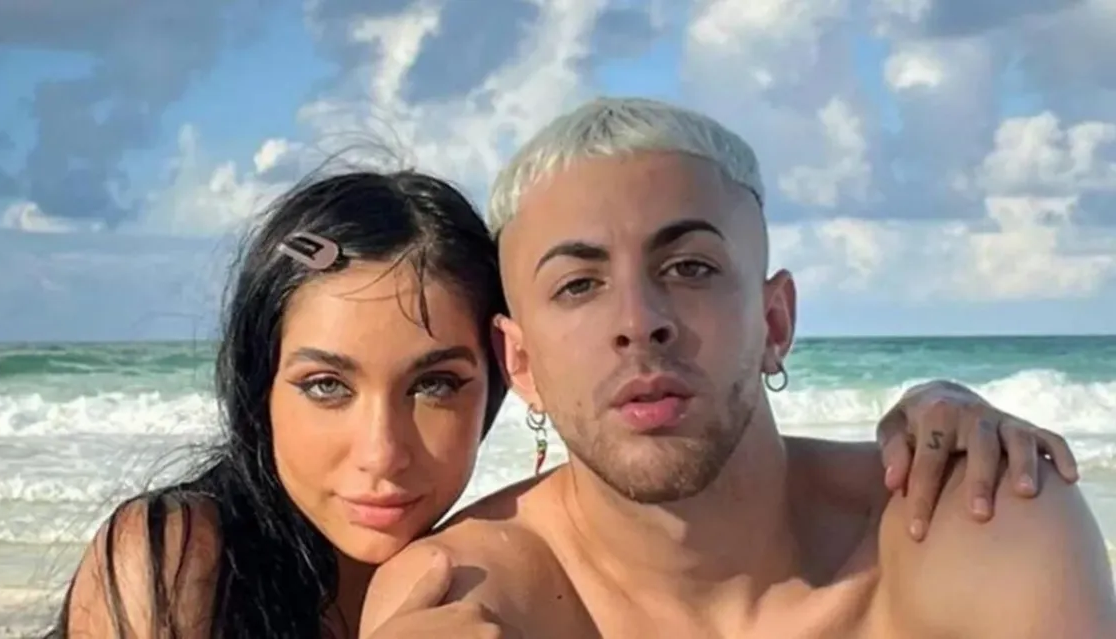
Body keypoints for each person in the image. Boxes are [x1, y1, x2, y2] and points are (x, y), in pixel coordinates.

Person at [49, 168, 1076, 639]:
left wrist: (939, 398)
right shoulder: (176, 562)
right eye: (325, 385)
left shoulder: (479, 568)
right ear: (257, 387)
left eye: (436, 385)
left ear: (509, 376)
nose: (382, 451)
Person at [360, 98, 1115, 639]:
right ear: (520, 363)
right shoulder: (459, 600)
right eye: (579, 285)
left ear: (775, 322)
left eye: (689, 267)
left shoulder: (980, 518)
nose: (638, 321)